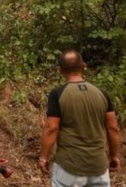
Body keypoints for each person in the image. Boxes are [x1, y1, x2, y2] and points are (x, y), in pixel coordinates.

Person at [39, 50, 121, 187]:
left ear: (60, 70)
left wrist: (44, 157)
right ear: (84, 66)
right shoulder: (102, 94)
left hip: (68, 167)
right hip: (98, 167)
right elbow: (113, 129)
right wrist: (114, 156)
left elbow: (51, 128)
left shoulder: (58, 94)